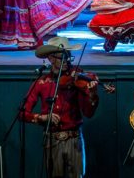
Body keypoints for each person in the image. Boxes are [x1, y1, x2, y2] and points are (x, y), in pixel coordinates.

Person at [20, 37, 99, 178]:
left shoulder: (77, 77)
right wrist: (41, 117)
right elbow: (22, 113)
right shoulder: (42, 82)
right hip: (52, 139)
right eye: (62, 56)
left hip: (74, 139)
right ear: (51, 59)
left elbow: (88, 112)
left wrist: (92, 95)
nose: (67, 60)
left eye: (68, 56)